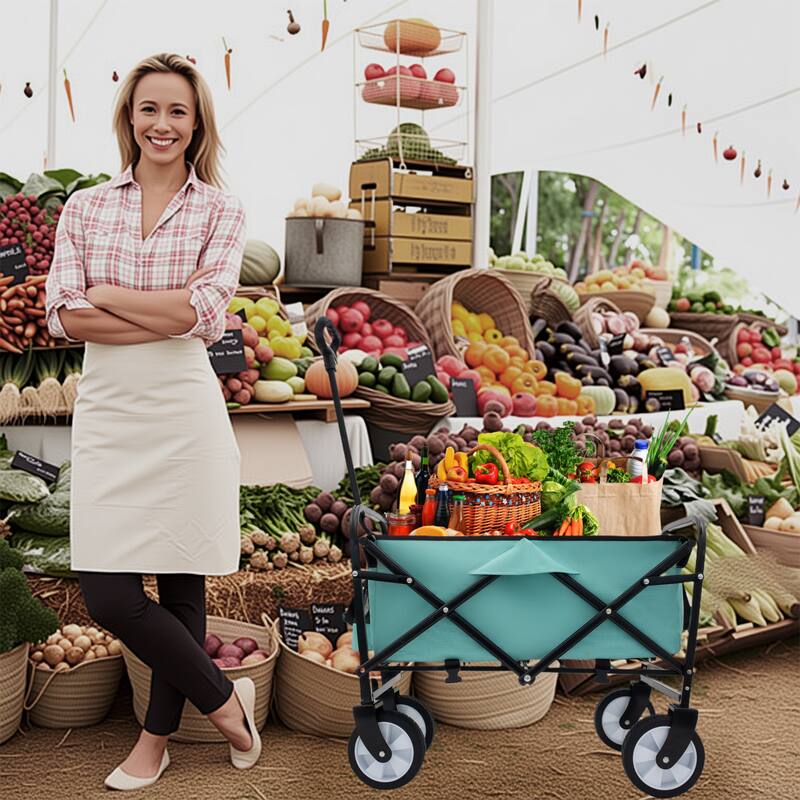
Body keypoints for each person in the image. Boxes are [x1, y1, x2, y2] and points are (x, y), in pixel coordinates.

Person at [44, 53, 259, 790]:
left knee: (182, 586)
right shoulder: (86, 207)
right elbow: (65, 316)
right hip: (109, 412)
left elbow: (203, 313)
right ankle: (226, 699)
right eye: (149, 109)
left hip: (183, 410)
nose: (162, 124)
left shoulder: (220, 209)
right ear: (128, 118)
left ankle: (154, 742)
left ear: (196, 123)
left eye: (177, 111)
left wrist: (108, 294)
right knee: (107, 592)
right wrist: (159, 312)